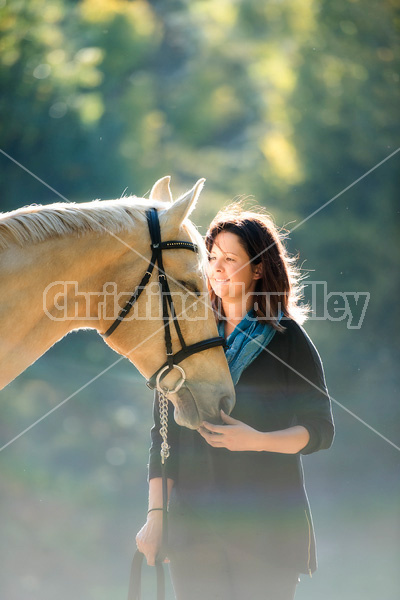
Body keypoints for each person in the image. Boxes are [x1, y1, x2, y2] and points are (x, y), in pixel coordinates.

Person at [136, 203, 335, 600]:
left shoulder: (287, 339)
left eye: (230, 258)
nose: (217, 267)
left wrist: (256, 439)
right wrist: (156, 518)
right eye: (212, 258)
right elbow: (163, 439)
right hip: (194, 529)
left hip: (267, 531)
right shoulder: (186, 339)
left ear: (259, 268)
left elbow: (320, 431)